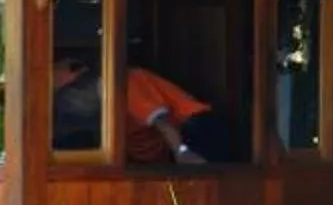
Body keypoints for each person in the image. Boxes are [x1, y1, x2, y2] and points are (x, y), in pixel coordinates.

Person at [50, 48, 239, 165]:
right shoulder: (99, 114)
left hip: (197, 132)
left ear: (81, 86)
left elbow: (162, 122)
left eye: (66, 99)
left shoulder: (124, 82)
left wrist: (182, 152)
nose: (68, 106)